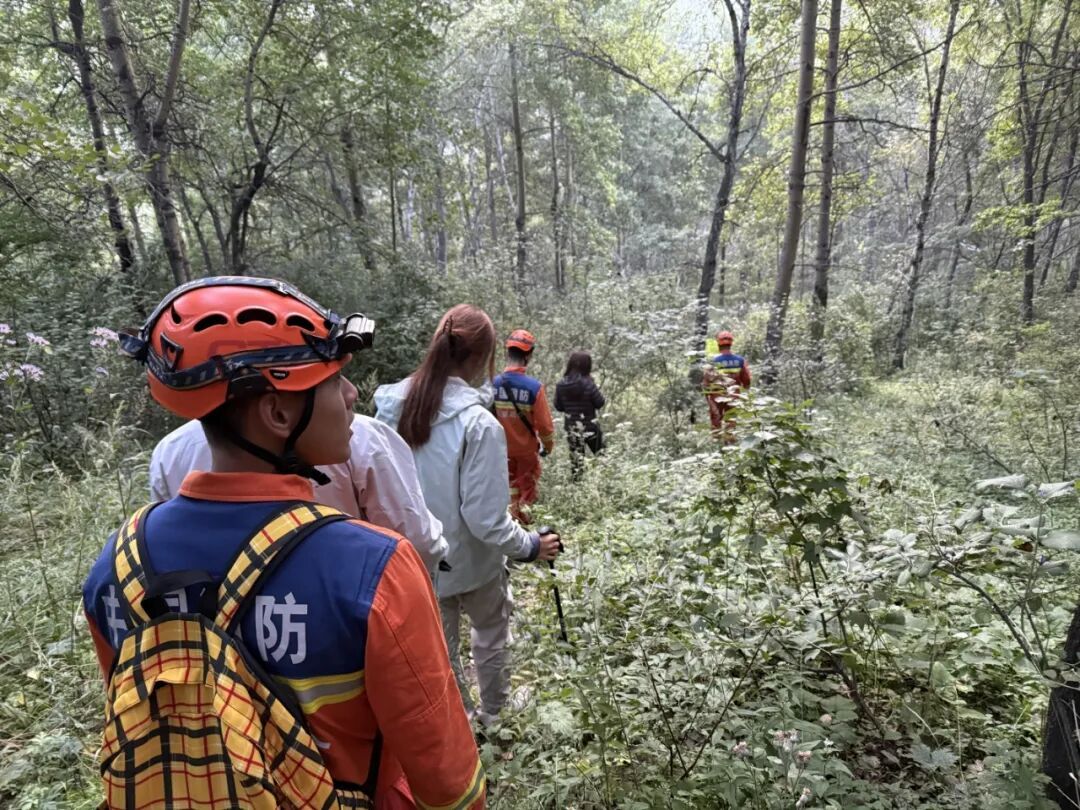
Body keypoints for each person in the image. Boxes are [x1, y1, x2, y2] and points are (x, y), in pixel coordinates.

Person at [83, 277, 484, 809]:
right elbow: (446, 780)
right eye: (333, 379)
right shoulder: (374, 568)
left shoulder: (117, 562)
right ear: (277, 414)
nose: (350, 394)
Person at [374, 305, 562, 727]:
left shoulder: (389, 408)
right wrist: (531, 546)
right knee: (491, 636)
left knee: (439, 646)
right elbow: (486, 520)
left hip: (414, 560)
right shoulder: (478, 424)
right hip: (475, 564)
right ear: (482, 357)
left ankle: (457, 718)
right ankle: (493, 717)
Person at [149, 415, 448, 573]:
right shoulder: (364, 439)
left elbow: (171, 549)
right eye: (332, 377)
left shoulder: (170, 450)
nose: (350, 392)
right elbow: (416, 542)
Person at [491, 329, 555, 523]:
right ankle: (525, 537)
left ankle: (508, 531)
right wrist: (548, 447)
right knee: (526, 495)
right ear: (529, 355)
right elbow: (545, 427)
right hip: (526, 453)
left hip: (499, 451)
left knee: (505, 492)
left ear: (507, 352)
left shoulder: (491, 384)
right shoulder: (534, 388)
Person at [554, 350, 605, 480]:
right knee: (602, 458)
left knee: (577, 464)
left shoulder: (561, 385)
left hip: (572, 429)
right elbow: (599, 402)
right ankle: (603, 484)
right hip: (591, 428)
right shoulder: (588, 383)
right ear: (586, 366)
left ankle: (577, 487)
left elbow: (559, 407)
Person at [701, 329, 751, 437]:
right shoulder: (740, 360)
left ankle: (717, 445)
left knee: (716, 421)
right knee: (731, 422)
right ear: (731, 344)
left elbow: (706, 383)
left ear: (718, 343)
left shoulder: (712, 361)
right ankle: (730, 446)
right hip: (733, 396)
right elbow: (746, 381)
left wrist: (708, 398)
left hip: (716, 397)